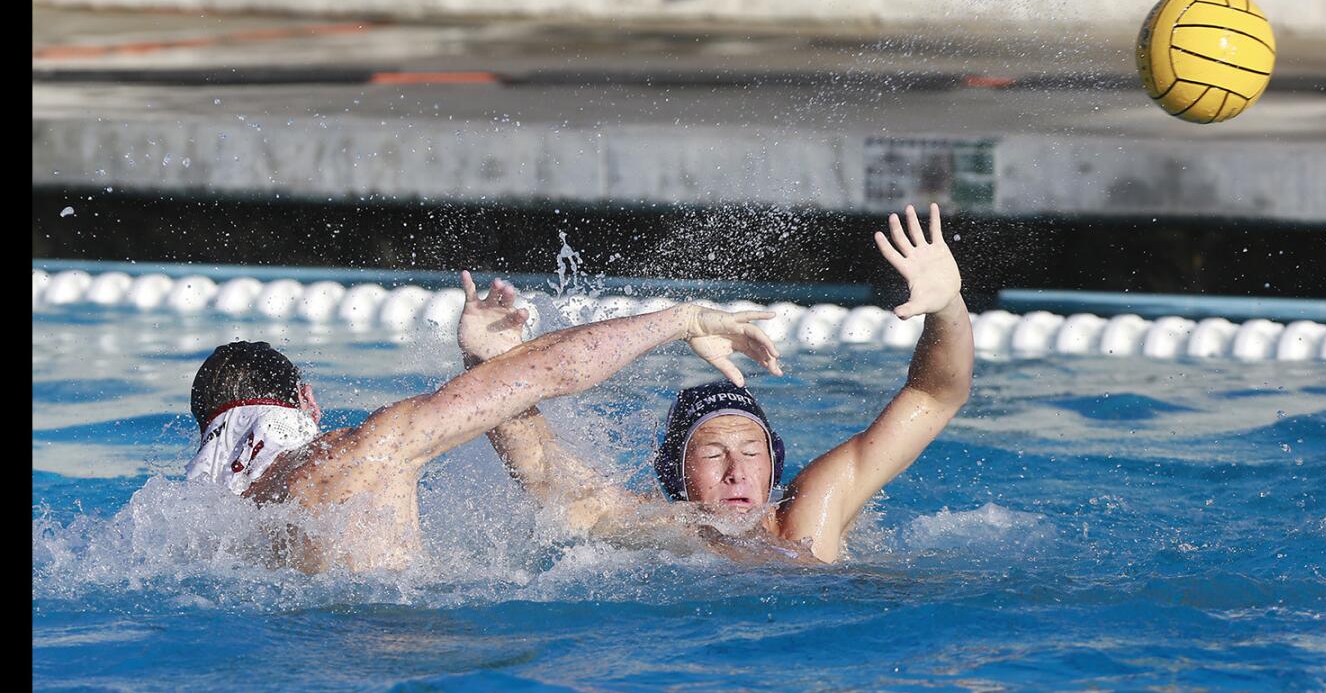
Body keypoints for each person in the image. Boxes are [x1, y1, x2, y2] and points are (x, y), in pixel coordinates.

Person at [473, 203, 974, 562]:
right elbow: (540, 468)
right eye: (713, 454)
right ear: (677, 474)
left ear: (775, 464)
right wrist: (484, 360)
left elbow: (933, 396)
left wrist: (949, 306)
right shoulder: (660, 531)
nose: (737, 472)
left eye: (753, 454)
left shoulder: (813, 510)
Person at [182, 298, 783, 573]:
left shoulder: (195, 520)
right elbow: (552, 371)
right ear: (308, 402)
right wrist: (685, 319)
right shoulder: (364, 451)